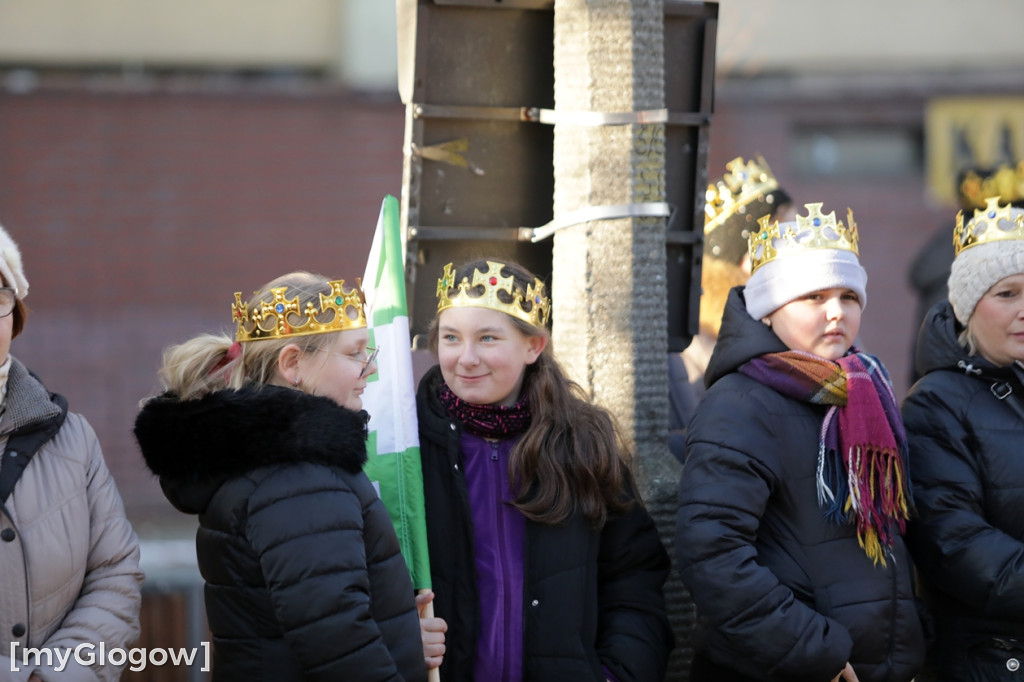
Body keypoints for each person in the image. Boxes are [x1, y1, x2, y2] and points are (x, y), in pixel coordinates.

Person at [133, 271, 427, 682]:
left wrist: (403, 635)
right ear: (292, 364)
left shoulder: (272, 462)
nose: (371, 368)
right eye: (355, 353)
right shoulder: (299, 477)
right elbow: (337, 641)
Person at [676, 203, 926, 682]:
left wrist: (913, 641)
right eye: (813, 296)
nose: (836, 312)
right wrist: (814, 652)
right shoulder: (739, 404)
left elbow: (893, 537)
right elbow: (712, 553)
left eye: (848, 296)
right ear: (769, 310)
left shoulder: (865, 387)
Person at [416, 258, 674, 682]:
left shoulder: (582, 444)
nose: (466, 358)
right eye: (451, 338)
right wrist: (400, 636)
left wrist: (618, 673)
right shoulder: (408, 449)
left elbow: (633, 579)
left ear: (533, 346)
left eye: (487, 338)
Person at [0, 224, 142, 681]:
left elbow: (114, 573)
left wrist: (53, 676)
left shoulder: (73, 438)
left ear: (15, 316)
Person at [902, 196, 1024, 681]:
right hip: (993, 661)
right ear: (969, 307)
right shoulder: (935, 403)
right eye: (1007, 294)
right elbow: (954, 543)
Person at [669, 155, 794, 461]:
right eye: (785, 238)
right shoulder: (686, 356)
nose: (801, 251)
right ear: (746, 260)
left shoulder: (814, 325)